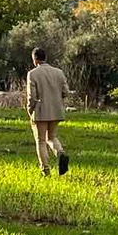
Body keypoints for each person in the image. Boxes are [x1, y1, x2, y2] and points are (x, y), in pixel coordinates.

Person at [26, 47, 70, 176]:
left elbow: (31, 96)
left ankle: (45, 170)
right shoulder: (59, 72)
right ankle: (60, 153)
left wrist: (30, 110)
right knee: (51, 137)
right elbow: (66, 92)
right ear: (45, 58)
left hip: (40, 111)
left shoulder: (32, 74)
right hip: (56, 110)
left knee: (41, 140)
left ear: (35, 59)